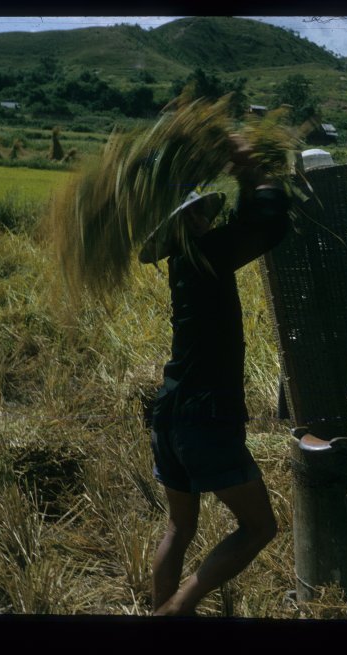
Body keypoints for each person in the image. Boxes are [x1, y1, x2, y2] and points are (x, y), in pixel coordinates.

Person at [138, 137, 290, 616]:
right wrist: (255, 174)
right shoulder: (204, 254)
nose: (207, 219)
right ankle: (175, 611)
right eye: (198, 213)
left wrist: (247, 174)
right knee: (260, 527)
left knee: (178, 528)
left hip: (170, 415)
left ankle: (160, 609)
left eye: (205, 210)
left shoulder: (186, 263)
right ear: (184, 226)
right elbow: (265, 226)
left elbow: (245, 229)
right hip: (205, 418)